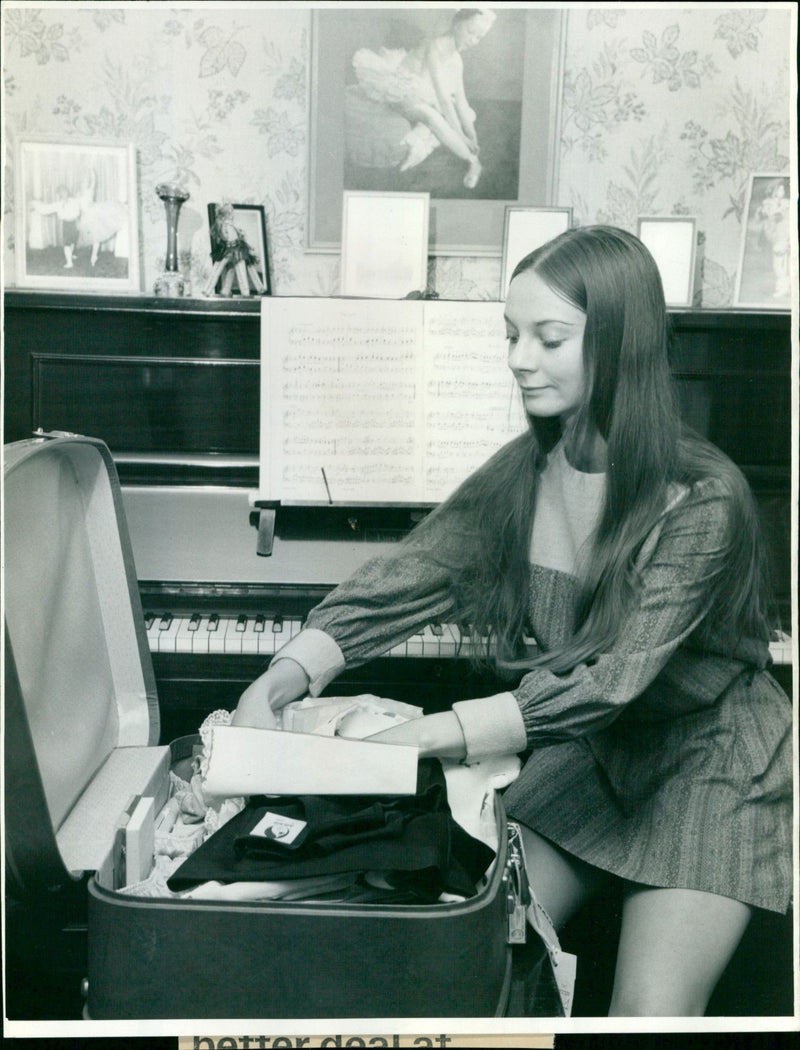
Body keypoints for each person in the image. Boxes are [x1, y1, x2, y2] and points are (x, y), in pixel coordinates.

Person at [233, 226, 792, 1016]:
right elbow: (412, 574)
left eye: (548, 337)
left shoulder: (704, 498)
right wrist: (284, 673)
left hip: (711, 766)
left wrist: (422, 737)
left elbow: (612, 682)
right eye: (511, 335)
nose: (518, 358)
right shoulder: (524, 468)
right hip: (594, 756)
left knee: (646, 1016)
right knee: (459, 949)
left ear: (622, 343)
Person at [350, 8, 496, 188]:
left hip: (422, 92)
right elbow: (443, 98)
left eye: (478, 37)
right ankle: (473, 162)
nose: (472, 40)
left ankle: (468, 153)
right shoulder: (436, 45)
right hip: (401, 89)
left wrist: (472, 137)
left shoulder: (456, 60)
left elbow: (461, 101)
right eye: (470, 32)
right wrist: (461, 135)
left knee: (456, 114)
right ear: (457, 24)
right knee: (432, 116)